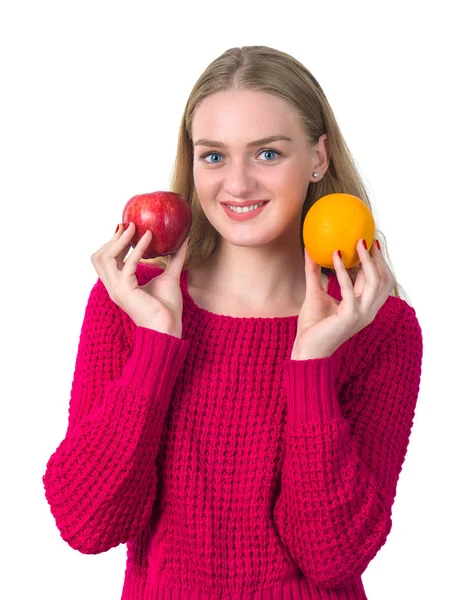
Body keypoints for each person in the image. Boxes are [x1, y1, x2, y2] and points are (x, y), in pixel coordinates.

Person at [42, 46, 423, 600]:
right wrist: (155, 348)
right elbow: (88, 523)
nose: (237, 185)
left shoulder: (379, 327)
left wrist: (313, 363)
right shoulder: (128, 305)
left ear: (317, 158)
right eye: (214, 157)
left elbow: (333, 554)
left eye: (267, 154)